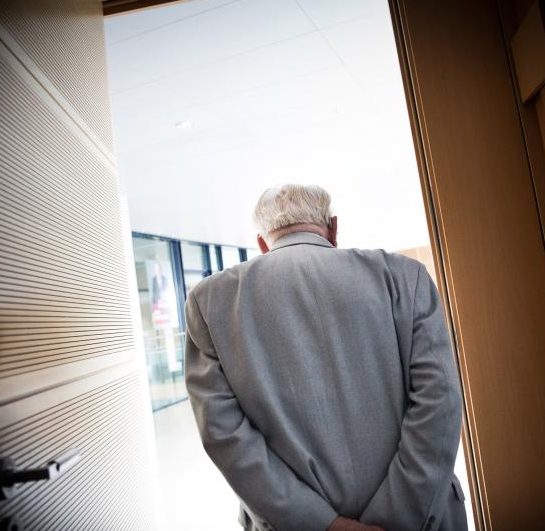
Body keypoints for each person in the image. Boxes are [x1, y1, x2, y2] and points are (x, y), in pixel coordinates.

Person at [183, 184, 467, 531]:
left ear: (261, 243)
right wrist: (397, 517)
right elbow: (440, 401)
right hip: (423, 519)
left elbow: (223, 434)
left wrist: (324, 525)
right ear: (333, 228)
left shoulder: (210, 301)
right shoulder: (406, 277)